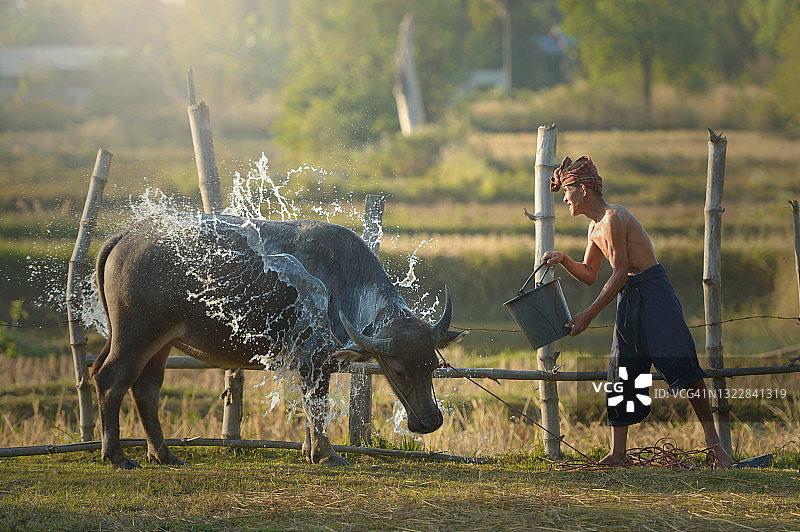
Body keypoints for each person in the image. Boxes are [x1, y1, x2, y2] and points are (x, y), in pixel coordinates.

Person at [541, 155, 733, 468]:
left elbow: (617, 273)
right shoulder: (594, 229)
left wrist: (588, 315)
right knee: (622, 370)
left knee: (682, 365)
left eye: (567, 191)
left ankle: (717, 449)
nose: (564, 198)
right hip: (628, 297)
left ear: (584, 189)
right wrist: (564, 259)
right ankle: (618, 454)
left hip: (653, 292)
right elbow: (590, 273)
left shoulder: (615, 217)